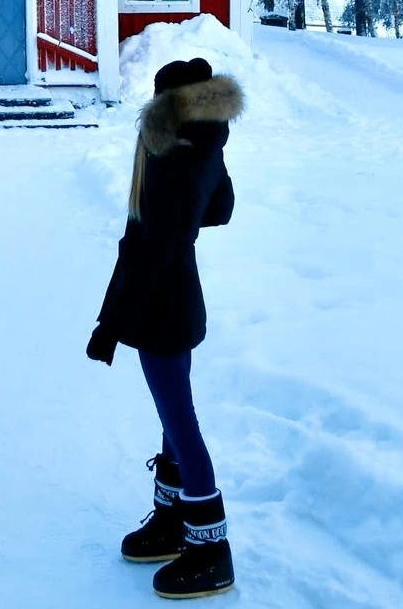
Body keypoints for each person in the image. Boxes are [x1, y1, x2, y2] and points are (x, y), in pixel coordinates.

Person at [86, 56, 243, 599]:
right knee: (172, 418)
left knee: (181, 423)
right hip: (178, 298)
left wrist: (111, 322)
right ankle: (173, 520)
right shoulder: (206, 142)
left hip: (160, 303)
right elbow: (221, 208)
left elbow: (148, 248)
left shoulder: (172, 153)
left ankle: (211, 549)